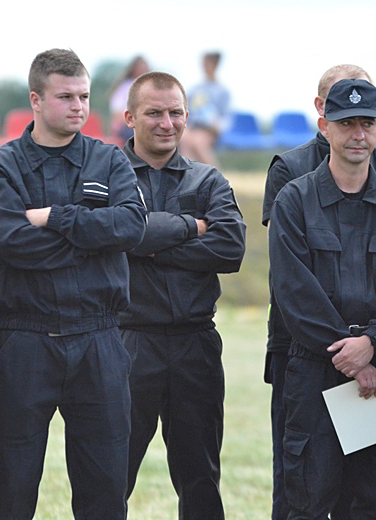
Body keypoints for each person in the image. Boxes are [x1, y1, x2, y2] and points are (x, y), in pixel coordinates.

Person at [0, 48, 146, 519]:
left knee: (105, 491)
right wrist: (94, 236)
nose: (78, 106)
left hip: (99, 339)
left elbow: (131, 228)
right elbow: (11, 243)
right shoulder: (1, 166)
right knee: (10, 488)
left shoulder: (110, 161)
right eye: (66, 96)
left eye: (85, 96)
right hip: (25, 340)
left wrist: (55, 217)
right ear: (36, 99)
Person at [268, 78, 376, 519]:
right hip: (315, 369)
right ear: (324, 126)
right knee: (307, 500)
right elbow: (293, 290)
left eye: (366, 123)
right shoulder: (294, 200)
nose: (356, 134)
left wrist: (373, 345)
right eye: (345, 123)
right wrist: (351, 354)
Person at [119, 71, 246, 519]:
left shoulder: (208, 182)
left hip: (196, 346)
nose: (166, 122)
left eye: (175, 113)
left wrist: (150, 246)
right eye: (154, 112)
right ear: (130, 116)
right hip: (128, 343)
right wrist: (188, 232)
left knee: (200, 477)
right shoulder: (107, 178)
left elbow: (231, 248)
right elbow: (108, 238)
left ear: (187, 117)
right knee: (112, 476)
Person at [179, 51, 229, 167]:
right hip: (193, 127)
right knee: (184, 139)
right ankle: (189, 176)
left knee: (198, 141)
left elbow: (225, 118)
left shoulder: (222, 91)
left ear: (215, 65)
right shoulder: (195, 89)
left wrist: (216, 127)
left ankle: (215, 177)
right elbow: (187, 109)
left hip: (210, 130)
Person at [108, 55, 149, 146]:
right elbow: (117, 113)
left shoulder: (151, 88)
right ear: (133, 69)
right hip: (128, 125)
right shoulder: (124, 88)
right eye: (139, 68)